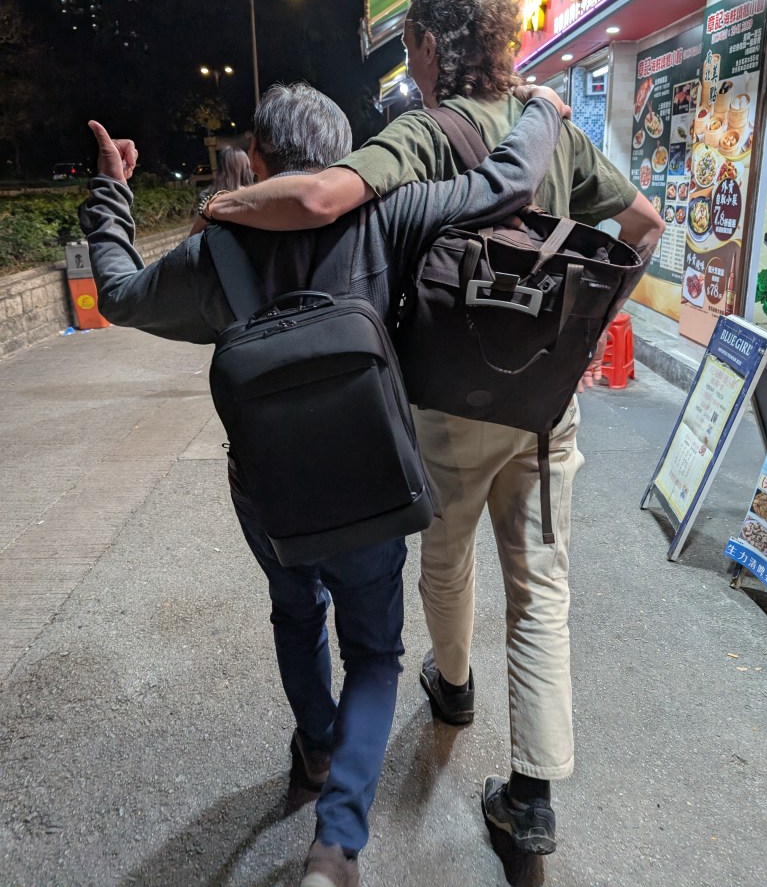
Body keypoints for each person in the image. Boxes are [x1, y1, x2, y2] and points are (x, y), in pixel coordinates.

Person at [201, 0, 665, 857]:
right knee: (541, 585)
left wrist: (223, 204)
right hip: (542, 403)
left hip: (446, 401)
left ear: (424, 44)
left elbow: (322, 196)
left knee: (445, 564)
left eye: (410, 41)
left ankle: (451, 688)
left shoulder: (419, 132)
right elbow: (641, 223)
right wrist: (582, 333)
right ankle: (530, 796)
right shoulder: (554, 132)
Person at [79, 79, 568, 887]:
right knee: (373, 652)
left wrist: (111, 190)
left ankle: (314, 748)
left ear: (257, 157)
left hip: (269, 490)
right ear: (343, 157)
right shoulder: (386, 213)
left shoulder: (217, 246)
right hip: (371, 481)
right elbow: (506, 183)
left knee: (295, 607)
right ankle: (335, 847)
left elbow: (120, 295)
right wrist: (543, 109)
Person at [193, 146, 253, 224]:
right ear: (245, 168)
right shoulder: (251, 196)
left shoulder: (207, 195)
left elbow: (199, 226)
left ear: (221, 168)